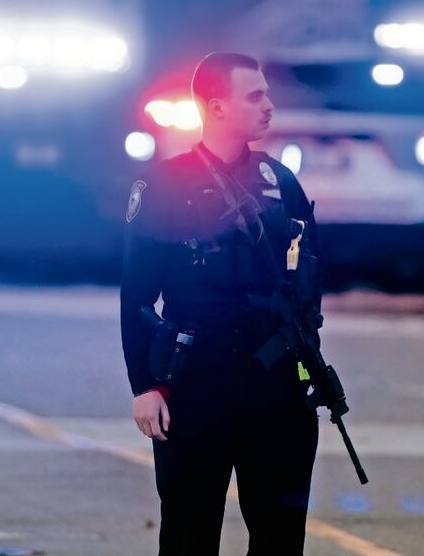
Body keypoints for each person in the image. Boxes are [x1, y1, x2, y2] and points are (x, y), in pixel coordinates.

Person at [120, 52, 322, 555]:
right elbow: (137, 294)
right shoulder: (164, 184)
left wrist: (306, 365)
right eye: (254, 95)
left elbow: (308, 283)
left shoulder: (282, 184)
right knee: (190, 532)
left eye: (268, 94)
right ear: (217, 107)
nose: (269, 105)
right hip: (196, 384)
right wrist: (145, 386)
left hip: (274, 384)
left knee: (280, 537)